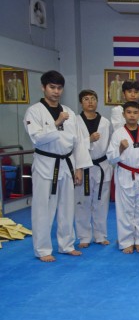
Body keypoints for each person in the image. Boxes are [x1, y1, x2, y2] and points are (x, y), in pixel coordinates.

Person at [23, 70, 92, 262]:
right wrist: (57, 123)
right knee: (43, 209)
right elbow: (36, 138)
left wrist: (79, 167)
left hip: (67, 164)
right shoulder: (34, 111)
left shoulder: (69, 112)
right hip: (46, 164)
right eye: (52, 87)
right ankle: (43, 249)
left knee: (67, 207)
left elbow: (79, 141)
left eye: (59, 88)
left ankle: (66, 245)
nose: (56, 91)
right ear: (43, 87)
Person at [107, 101, 139, 254]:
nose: (132, 116)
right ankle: (126, 241)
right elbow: (110, 158)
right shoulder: (118, 134)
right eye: (129, 112)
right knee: (125, 209)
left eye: (135, 112)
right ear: (123, 114)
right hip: (125, 174)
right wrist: (120, 149)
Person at [74, 89, 112, 248]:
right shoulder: (75, 121)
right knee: (82, 202)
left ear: (97, 101)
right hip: (83, 166)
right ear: (81, 102)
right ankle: (84, 236)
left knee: (101, 202)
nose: (90, 102)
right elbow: (73, 144)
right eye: (86, 99)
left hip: (102, 165)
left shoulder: (105, 122)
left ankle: (100, 235)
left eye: (93, 99)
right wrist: (88, 140)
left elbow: (109, 145)